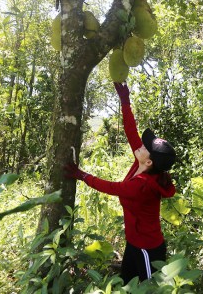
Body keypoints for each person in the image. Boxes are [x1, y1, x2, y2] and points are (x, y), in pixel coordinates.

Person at [64, 82, 177, 284]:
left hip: (147, 249)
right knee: (126, 283)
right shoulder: (141, 163)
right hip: (134, 243)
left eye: (145, 147)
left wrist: (82, 176)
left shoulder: (142, 184)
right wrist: (125, 100)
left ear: (149, 161)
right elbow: (131, 131)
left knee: (149, 289)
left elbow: (112, 188)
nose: (140, 145)